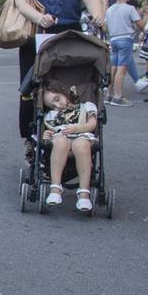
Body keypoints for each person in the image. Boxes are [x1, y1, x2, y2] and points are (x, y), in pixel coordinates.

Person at [12, 0, 105, 138]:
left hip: (69, 35)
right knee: (31, 88)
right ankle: (30, 137)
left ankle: (77, 129)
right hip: (38, 35)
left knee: (74, 84)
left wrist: (98, 14)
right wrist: (40, 17)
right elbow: (22, 2)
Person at [40, 80, 99, 213]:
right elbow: (53, 131)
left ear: (64, 92)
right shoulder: (51, 115)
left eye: (57, 99)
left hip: (81, 134)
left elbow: (92, 124)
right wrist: (47, 134)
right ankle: (55, 187)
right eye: (52, 105)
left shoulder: (86, 106)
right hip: (61, 139)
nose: (57, 105)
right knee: (60, 141)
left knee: (81, 144)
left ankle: (84, 192)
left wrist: (78, 128)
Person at [105, 0, 148, 106]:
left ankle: (110, 94)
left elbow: (105, 26)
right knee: (121, 69)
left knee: (113, 67)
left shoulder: (110, 9)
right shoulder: (130, 9)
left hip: (113, 39)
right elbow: (141, 24)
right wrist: (145, 16)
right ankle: (119, 96)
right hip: (125, 39)